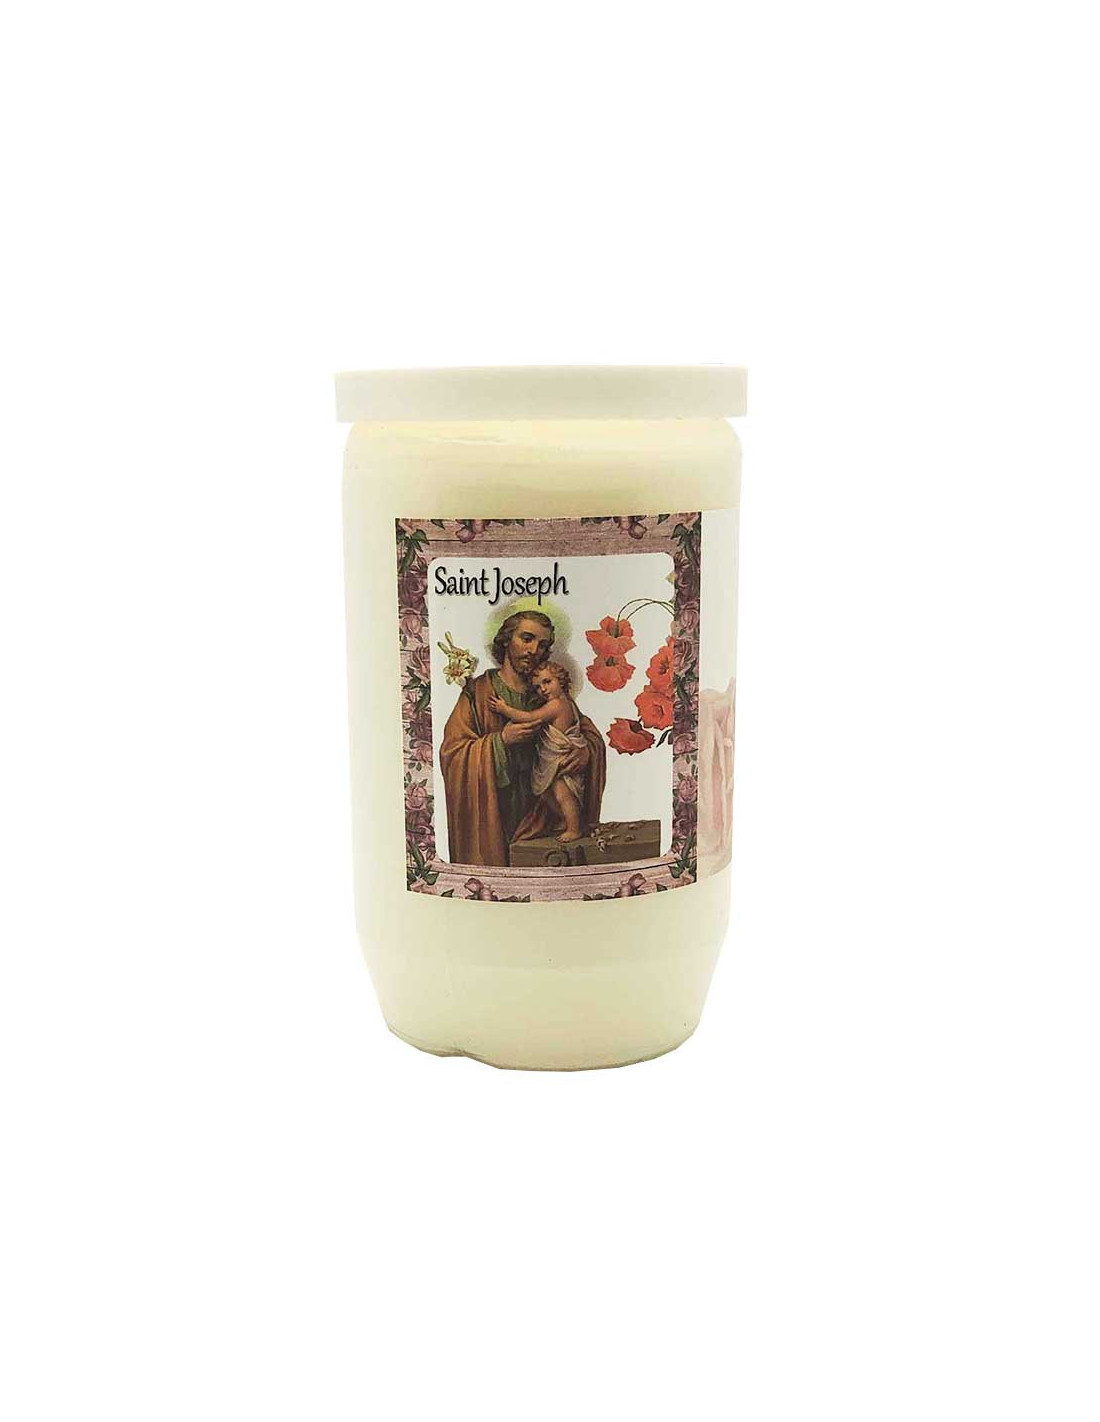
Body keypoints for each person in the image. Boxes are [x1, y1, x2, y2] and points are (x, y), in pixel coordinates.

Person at [439, 611, 605, 865]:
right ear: (506, 639)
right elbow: (453, 753)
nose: (534, 650)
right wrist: (500, 741)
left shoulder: (547, 692)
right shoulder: (478, 692)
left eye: (542, 645)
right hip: (494, 818)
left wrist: (586, 752)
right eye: (527, 639)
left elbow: (584, 732)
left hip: (542, 821)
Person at [489, 661, 587, 842]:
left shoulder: (556, 704)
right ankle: (566, 820)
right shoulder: (564, 702)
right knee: (546, 792)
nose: (542, 689)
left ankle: (574, 828)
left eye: (547, 682)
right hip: (552, 757)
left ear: (561, 680)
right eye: (537, 686)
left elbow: (529, 717)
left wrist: (504, 709)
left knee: (563, 794)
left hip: (559, 758)